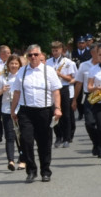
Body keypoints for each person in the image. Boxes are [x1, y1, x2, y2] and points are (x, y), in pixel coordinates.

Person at [10, 45, 62, 183]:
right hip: (26, 111)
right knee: (26, 141)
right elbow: (16, 92)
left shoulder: (49, 71)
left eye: (35, 54)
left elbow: (56, 91)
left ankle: (45, 171)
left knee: (44, 142)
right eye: (30, 55)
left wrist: (57, 108)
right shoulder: (22, 71)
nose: (33, 57)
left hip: (44, 110)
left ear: (40, 55)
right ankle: (31, 171)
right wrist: (13, 110)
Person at [0, 54, 27, 172]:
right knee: (9, 135)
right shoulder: (3, 77)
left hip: (20, 108)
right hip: (7, 109)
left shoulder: (22, 76)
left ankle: (23, 160)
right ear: (8, 65)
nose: (13, 66)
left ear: (19, 65)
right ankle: (11, 160)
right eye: (11, 63)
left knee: (21, 135)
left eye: (16, 63)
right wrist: (2, 90)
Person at [47, 40, 77, 148]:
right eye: (53, 50)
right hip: (52, 89)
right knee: (54, 113)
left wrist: (59, 74)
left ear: (61, 50)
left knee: (66, 114)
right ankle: (58, 136)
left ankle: (67, 138)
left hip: (64, 88)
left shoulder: (68, 62)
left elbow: (72, 78)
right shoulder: (48, 62)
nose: (55, 52)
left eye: (57, 50)